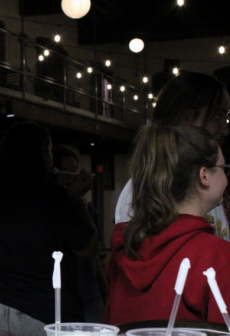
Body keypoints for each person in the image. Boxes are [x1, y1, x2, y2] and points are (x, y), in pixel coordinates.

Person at [106, 122, 230, 325]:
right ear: (204, 175)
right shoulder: (218, 259)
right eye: (224, 168)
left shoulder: (126, 249)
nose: (226, 178)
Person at [0, 122, 98, 336]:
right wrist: (76, 200)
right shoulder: (53, 197)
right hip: (44, 311)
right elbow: (87, 246)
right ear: (42, 153)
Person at [115, 72, 230, 242]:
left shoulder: (208, 185)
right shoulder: (146, 189)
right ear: (186, 117)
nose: (225, 129)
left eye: (226, 117)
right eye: (217, 116)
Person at [52, 145, 106, 323]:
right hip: (64, 296)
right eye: (64, 171)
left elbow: (93, 251)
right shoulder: (52, 208)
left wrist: (104, 290)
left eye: (74, 171)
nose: (70, 176)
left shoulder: (85, 206)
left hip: (89, 294)